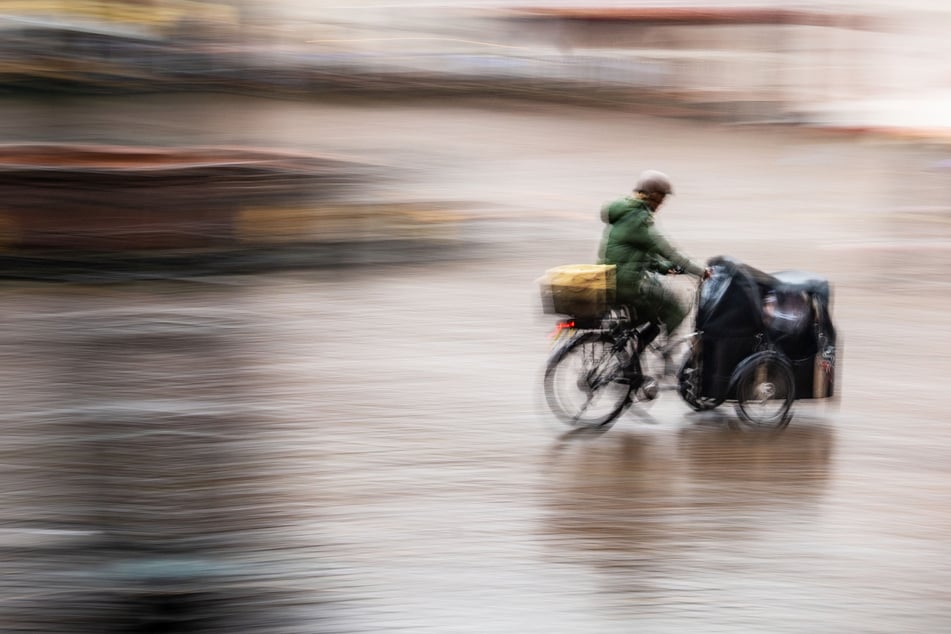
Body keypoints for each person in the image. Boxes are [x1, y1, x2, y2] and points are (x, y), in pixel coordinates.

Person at [598, 169, 707, 352]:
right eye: (661, 199)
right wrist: (701, 271)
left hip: (611, 279)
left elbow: (635, 254)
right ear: (653, 196)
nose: (662, 204)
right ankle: (666, 355)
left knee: (647, 318)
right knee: (676, 308)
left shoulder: (625, 213)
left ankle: (630, 361)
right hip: (627, 286)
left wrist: (664, 268)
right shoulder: (639, 220)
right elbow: (668, 250)